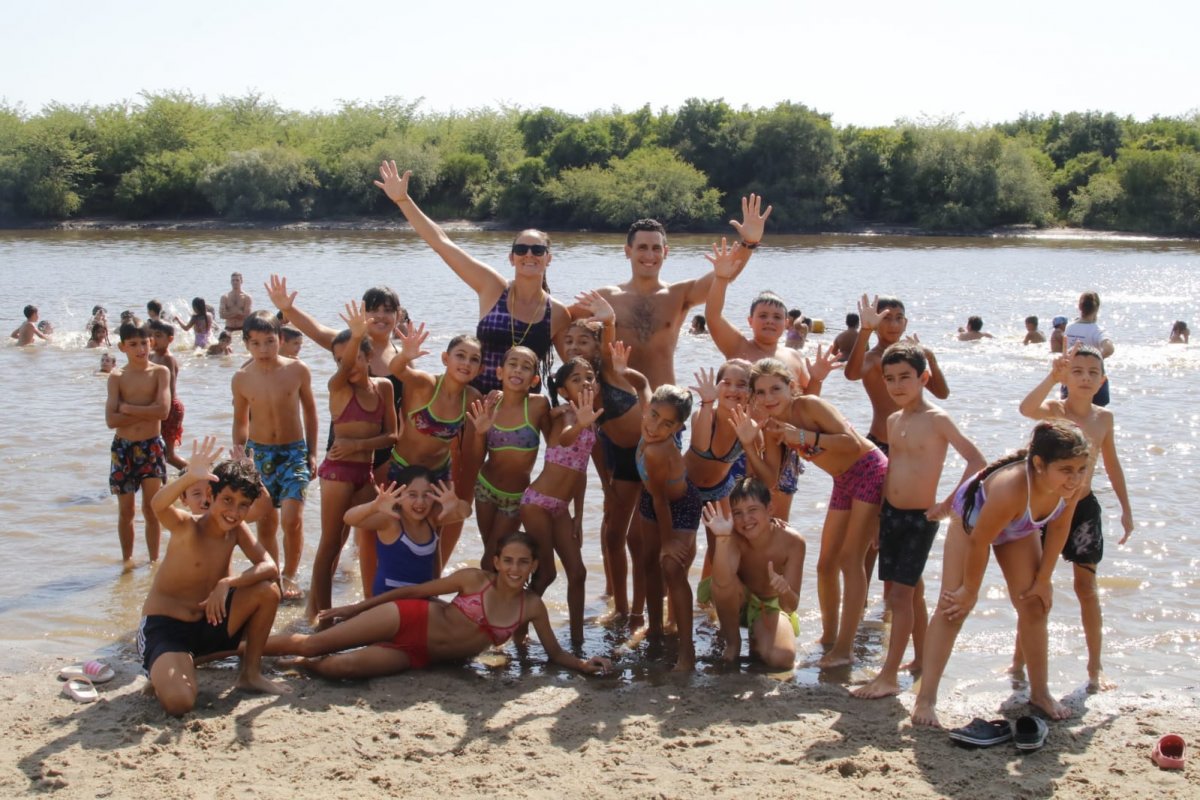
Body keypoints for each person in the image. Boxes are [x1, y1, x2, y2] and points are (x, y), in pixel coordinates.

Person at [911, 420, 1089, 727]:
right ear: (1039, 464)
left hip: (1019, 527)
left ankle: (1040, 693)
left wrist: (1044, 580)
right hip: (971, 524)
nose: (1075, 478)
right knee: (953, 607)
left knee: (1035, 604)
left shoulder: (1071, 487)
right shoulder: (1011, 488)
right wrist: (969, 590)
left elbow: (1060, 527)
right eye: (1066, 470)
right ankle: (925, 699)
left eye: (1081, 469)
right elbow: (980, 541)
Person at [263, 531, 610, 679]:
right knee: (312, 643)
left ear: (534, 565)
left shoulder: (532, 606)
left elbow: (555, 653)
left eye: (523, 562)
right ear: (496, 561)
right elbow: (414, 591)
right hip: (407, 618)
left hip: (418, 657)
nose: (514, 569)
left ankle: (302, 665)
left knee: (340, 668)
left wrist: (583, 664)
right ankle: (241, 647)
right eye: (508, 560)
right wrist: (355, 608)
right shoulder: (474, 580)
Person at [851, 343, 984, 699]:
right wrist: (878, 518)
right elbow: (891, 469)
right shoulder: (894, 421)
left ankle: (888, 676)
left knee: (900, 596)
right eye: (890, 378)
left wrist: (948, 504)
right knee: (912, 593)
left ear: (923, 378)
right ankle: (921, 659)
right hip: (891, 515)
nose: (897, 385)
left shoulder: (938, 419)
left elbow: (976, 460)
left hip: (919, 519)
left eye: (905, 377)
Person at [735, 358, 884, 668]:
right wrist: (750, 445)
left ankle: (845, 649)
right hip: (843, 481)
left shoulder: (810, 406)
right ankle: (829, 639)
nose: (768, 398)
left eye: (775, 389)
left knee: (850, 560)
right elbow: (771, 480)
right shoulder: (772, 428)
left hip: (870, 471)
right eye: (760, 392)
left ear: (791, 387)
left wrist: (802, 436)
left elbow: (852, 444)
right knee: (825, 565)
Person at [374, 161, 571, 394]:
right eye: (521, 249)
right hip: (474, 402)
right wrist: (403, 200)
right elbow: (442, 244)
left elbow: (573, 368)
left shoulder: (557, 313)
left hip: (523, 411)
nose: (529, 255)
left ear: (548, 258)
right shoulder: (492, 287)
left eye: (537, 250)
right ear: (512, 258)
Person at [1011, 345, 1134, 692]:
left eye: (1093, 373)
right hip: (1047, 508)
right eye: (1077, 371)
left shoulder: (1103, 419)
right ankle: (1018, 662)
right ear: (1067, 376)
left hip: (1082, 509)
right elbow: (1026, 408)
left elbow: (1112, 464)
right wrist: (1052, 378)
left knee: (1086, 588)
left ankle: (1095, 668)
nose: (1085, 378)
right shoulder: (1055, 410)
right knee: (1035, 586)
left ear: (1102, 381)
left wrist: (1126, 509)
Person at [141, 437, 288, 715]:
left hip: (210, 622)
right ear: (211, 496)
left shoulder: (237, 530)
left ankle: (250, 674)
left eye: (243, 505)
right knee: (180, 703)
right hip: (168, 629)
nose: (233, 512)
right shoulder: (187, 526)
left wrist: (228, 582)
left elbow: (270, 566)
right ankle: (163, 667)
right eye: (227, 500)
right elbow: (157, 505)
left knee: (268, 590)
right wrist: (188, 478)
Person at [588, 196, 770, 389]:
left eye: (656, 248)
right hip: (619, 401)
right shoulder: (606, 297)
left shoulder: (678, 295)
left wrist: (749, 243)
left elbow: (724, 274)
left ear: (665, 252)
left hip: (665, 400)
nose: (649, 255)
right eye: (642, 247)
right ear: (627, 251)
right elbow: (566, 319)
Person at [308, 303, 398, 621]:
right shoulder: (338, 387)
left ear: (369, 357)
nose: (347, 365)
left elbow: (392, 436)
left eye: (356, 356)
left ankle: (376, 604)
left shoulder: (384, 387)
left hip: (365, 474)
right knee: (330, 544)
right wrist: (356, 337)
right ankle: (322, 618)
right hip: (337, 475)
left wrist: (358, 445)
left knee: (385, 530)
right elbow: (345, 369)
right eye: (339, 360)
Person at [231, 311, 318, 600]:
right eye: (255, 343)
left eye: (269, 341)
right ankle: (273, 575)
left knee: (292, 519)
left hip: (294, 451)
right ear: (246, 344)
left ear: (280, 339)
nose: (263, 349)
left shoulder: (297, 370)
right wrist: (240, 457)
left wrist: (313, 452)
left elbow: (311, 412)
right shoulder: (242, 378)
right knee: (266, 521)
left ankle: (290, 574)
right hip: (259, 455)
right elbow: (240, 421)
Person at [517, 357, 601, 645]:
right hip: (537, 503)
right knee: (546, 573)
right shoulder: (564, 415)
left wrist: (579, 517)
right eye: (576, 379)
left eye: (589, 377)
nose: (585, 382)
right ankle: (518, 633)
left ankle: (577, 640)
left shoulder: (590, 421)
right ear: (564, 391)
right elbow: (565, 439)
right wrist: (580, 424)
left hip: (561, 508)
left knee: (578, 572)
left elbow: (580, 472)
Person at [386, 325, 483, 564]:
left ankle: (433, 583)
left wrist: (483, 430)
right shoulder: (426, 384)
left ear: (479, 369)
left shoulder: (472, 398)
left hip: (438, 473)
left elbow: (473, 446)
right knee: (395, 529)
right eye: (460, 355)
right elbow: (396, 369)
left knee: (434, 536)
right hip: (403, 468)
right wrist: (405, 355)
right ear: (445, 358)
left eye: (474, 359)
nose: (466, 363)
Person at [702, 478, 806, 669]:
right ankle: (733, 642)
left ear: (769, 509)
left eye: (752, 510)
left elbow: (790, 606)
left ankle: (759, 636)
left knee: (782, 659)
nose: (745, 519)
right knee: (723, 582)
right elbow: (721, 582)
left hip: (769, 605)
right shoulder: (733, 534)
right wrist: (722, 538)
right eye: (738, 513)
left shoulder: (793, 542)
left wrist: (784, 590)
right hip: (737, 599)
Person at [462, 346, 550, 567]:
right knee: (493, 556)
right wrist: (480, 433)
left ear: (535, 379)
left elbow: (554, 450)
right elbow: (476, 458)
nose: (518, 370)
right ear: (500, 372)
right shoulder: (490, 404)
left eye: (526, 367)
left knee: (490, 559)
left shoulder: (538, 405)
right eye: (513, 364)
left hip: (516, 496)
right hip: (485, 489)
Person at [705, 239, 825, 394]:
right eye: (763, 316)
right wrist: (721, 278)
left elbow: (809, 400)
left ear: (786, 323)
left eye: (777, 317)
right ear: (750, 321)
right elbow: (713, 316)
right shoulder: (738, 347)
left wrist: (817, 379)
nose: (770, 321)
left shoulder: (793, 356)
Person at [637, 385, 702, 670]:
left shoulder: (658, 449)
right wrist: (626, 372)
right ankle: (655, 629)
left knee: (672, 568)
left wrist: (668, 542)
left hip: (680, 504)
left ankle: (687, 651)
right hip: (651, 498)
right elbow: (641, 383)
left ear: (678, 428)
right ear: (646, 408)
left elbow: (663, 502)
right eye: (653, 415)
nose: (655, 427)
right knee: (649, 564)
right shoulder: (646, 430)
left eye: (666, 424)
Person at [844, 294, 949, 456]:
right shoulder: (873, 358)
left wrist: (930, 358)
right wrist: (865, 330)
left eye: (899, 318)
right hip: (882, 445)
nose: (893, 324)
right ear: (876, 323)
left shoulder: (911, 357)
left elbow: (942, 393)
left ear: (905, 323)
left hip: (915, 447)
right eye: (886, 318)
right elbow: (851, 374)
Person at [343, 472, 470, 599]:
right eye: (412, 495)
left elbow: (466, 512)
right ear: (399, 495)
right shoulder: (391, 521)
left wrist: (456, 504)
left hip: (422, 599)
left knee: (471, 580)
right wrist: (374, 506)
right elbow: (349, 518)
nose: (420, 502)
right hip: (388, 600)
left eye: (426, 495)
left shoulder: (432, 520)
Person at [107, 319, 170, 566]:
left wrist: (128, 408)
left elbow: (163, 411)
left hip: (151, 446)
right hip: (123, 448)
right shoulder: (117, 377)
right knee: (126, 511)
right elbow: (111, 420)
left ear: (151, 342)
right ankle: (127, 563)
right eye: (133, 344)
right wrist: (147, 411)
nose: (140, 349)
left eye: (144, 342)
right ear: (122, 347)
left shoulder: (159, 372)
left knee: (152, 508)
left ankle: (153, 562)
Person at [148, 320, 187, 471]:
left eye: (158, 336)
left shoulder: (168, 358)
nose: (153, 339)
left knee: (168, 454)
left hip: (170, 408)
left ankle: (199, 475)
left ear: (170, 339)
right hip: (158, 407)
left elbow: (169, 389)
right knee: (156, 450)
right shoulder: (151, 356)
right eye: (150, 335)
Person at [1063, 291, 1114, 406]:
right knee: (1097, 413)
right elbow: (1109, 348)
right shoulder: (1097, 330)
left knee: (1069, 412)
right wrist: (1094, 359)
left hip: (1071, 377)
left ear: (1080, 307)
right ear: (1097, 308)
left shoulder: (1069, 328)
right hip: (1093, 379)